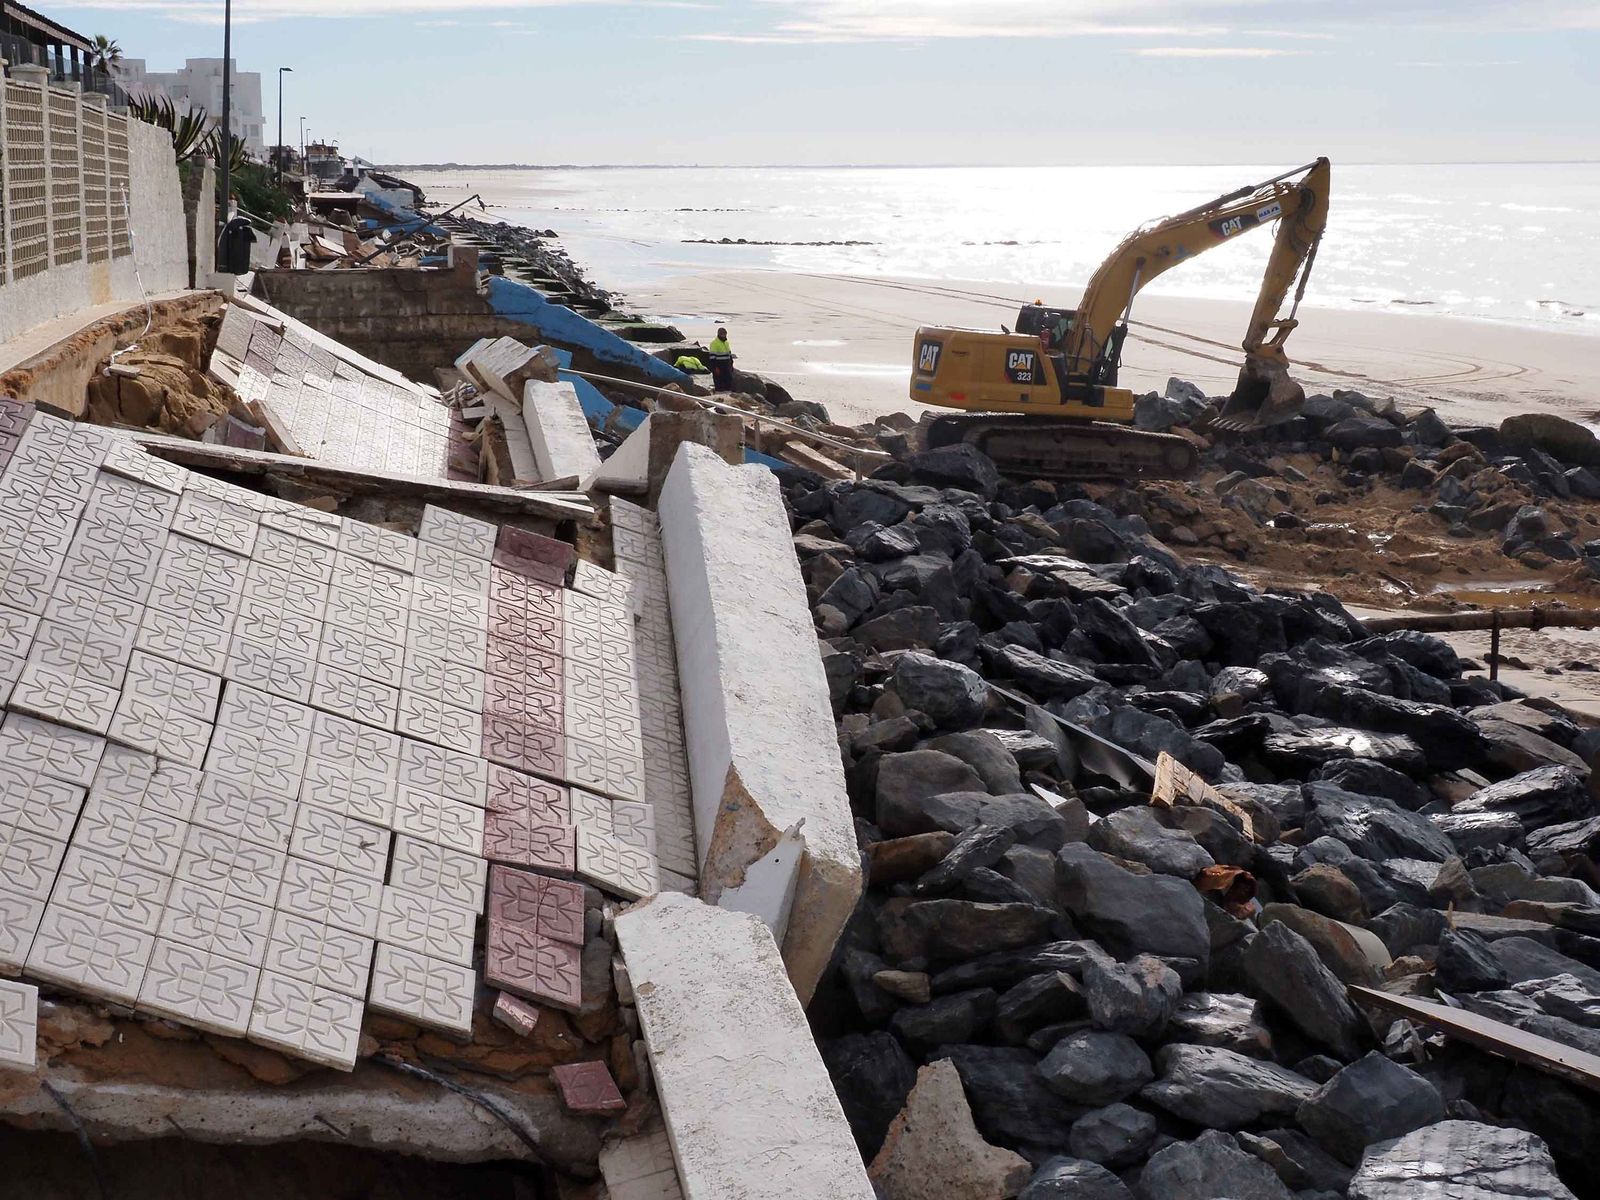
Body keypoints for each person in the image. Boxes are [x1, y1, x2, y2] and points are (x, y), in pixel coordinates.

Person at [706, 326, 734, 392]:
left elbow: (729, 353)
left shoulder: (726, 343)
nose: (724, 336)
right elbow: (712, 357)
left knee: (728, 380)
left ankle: (728, 391)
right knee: (719, 381)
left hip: (727, 364)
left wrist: (731, 363)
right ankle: (719, 392)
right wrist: (715, 367)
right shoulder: (714, 343)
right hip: (718, 365)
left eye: (725, 334)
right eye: (722, 334)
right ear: (719, 334)